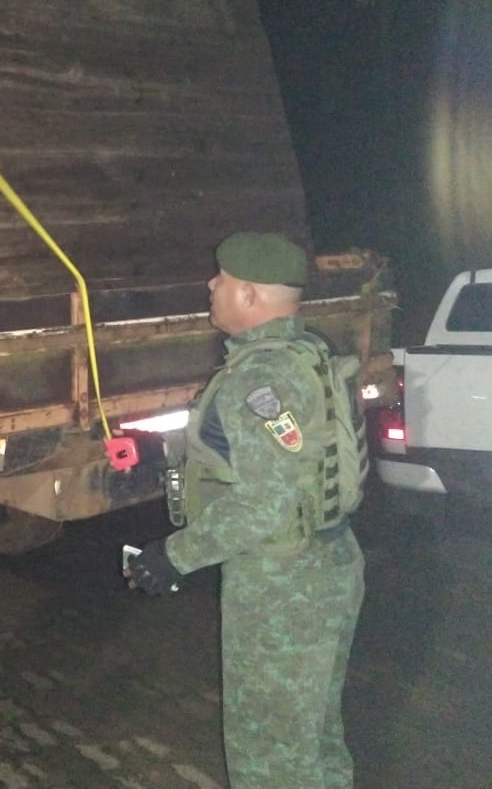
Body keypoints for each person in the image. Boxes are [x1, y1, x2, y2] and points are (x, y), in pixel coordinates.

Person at [125, 232, 366, 789]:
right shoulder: (307, 351)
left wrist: (172, 557)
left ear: (251, 296)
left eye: (223, 279)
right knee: (314, 743)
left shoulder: (260, 378)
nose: (212, 285)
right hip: (328, 563)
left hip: (282, 589)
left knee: (271, 758)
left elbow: (264, 500)